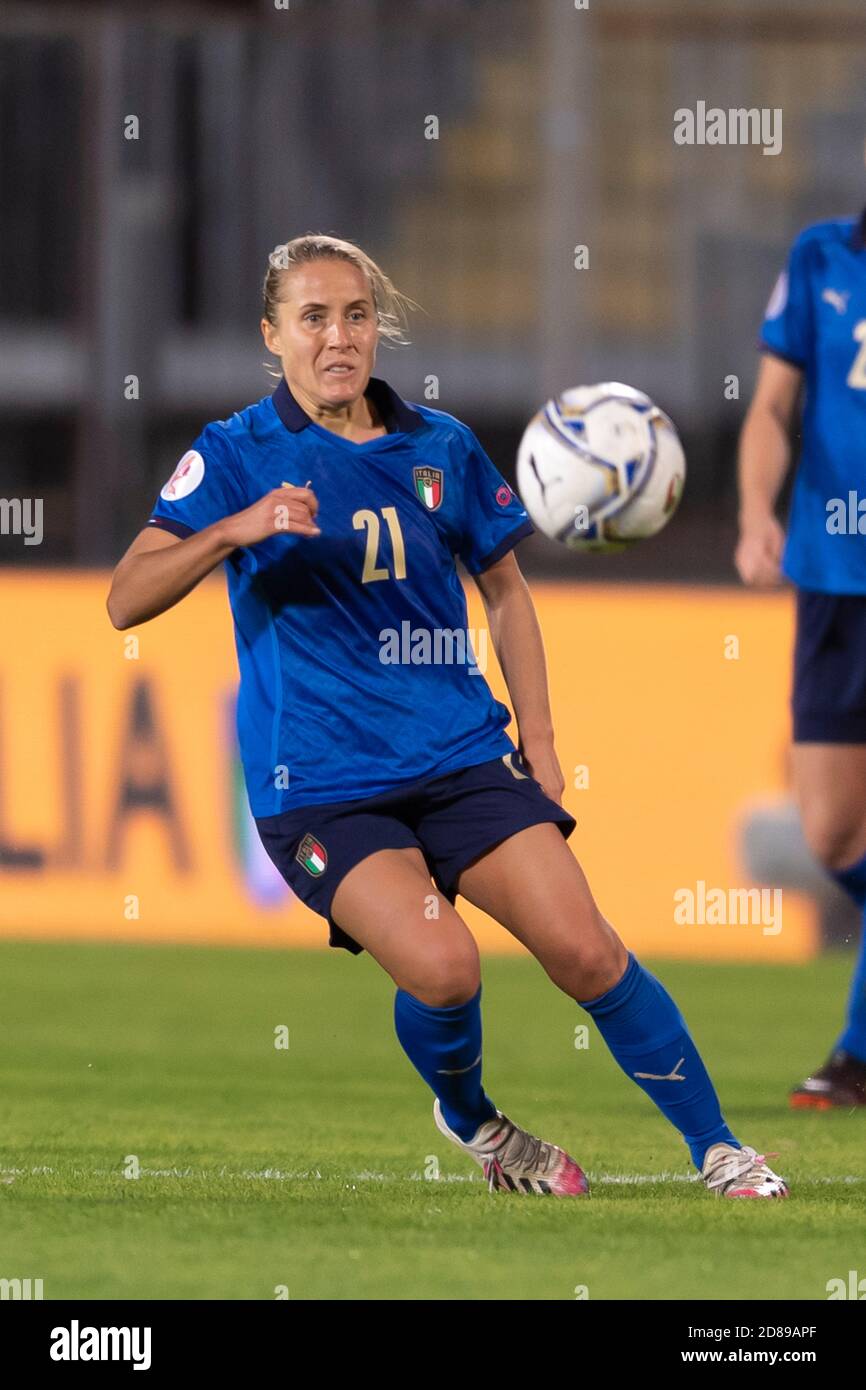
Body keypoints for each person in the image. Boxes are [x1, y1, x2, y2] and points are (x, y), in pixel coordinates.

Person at [108, 233, 787, 1197]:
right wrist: (233, 530)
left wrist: (540, 742)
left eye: (356, 315)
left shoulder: (442, 446)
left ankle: (720, 1149)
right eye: (313, 318)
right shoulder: (233, 454)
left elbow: (505, 593)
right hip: (324, 787)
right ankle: (475, 1122)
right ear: (272, 334)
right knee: (445, 967)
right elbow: (125, 599)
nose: (338, 337)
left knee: (586, 948)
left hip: (461, 756)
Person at [737, 205, 866, 1109]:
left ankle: (858, 1056)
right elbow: (773, 408)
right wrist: (757, 513)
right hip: (833, 585)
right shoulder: (822, 255)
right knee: (833, 834)